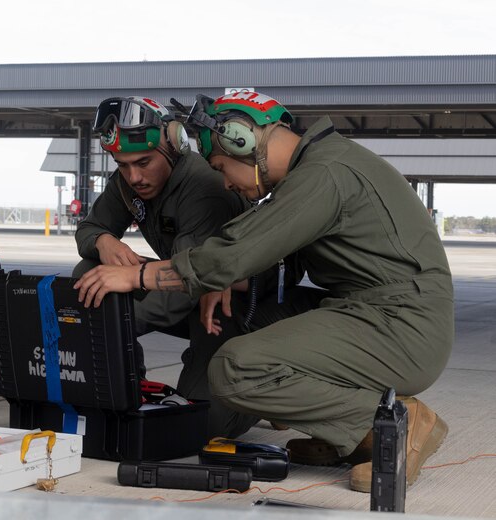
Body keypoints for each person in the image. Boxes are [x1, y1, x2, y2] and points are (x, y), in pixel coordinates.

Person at [74, 90, 453, 492]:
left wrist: (138, 278)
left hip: (403, 325)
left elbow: (232, 254)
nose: (223, 181)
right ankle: (348, 432)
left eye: (221, 167)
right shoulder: (317, 168)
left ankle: (394, 424)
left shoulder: (322, 176)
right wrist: (227, 276)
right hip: (362, 308)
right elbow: (281, 261)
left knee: (236, 367)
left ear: (243, 140)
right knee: (240, 324)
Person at [75, 95, 281, 438]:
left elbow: (190, 279)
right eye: (122, 165)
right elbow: (89, 229)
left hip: (239, 306)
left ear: (173, 147)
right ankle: (124, 384)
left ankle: (273, 398)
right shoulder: (128, 183)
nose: (134, 176)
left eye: (143, 162)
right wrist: (104, 242)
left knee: (203, 425)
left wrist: (101, 327)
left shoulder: (203, 187)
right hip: (190, 290)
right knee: (90, 272)